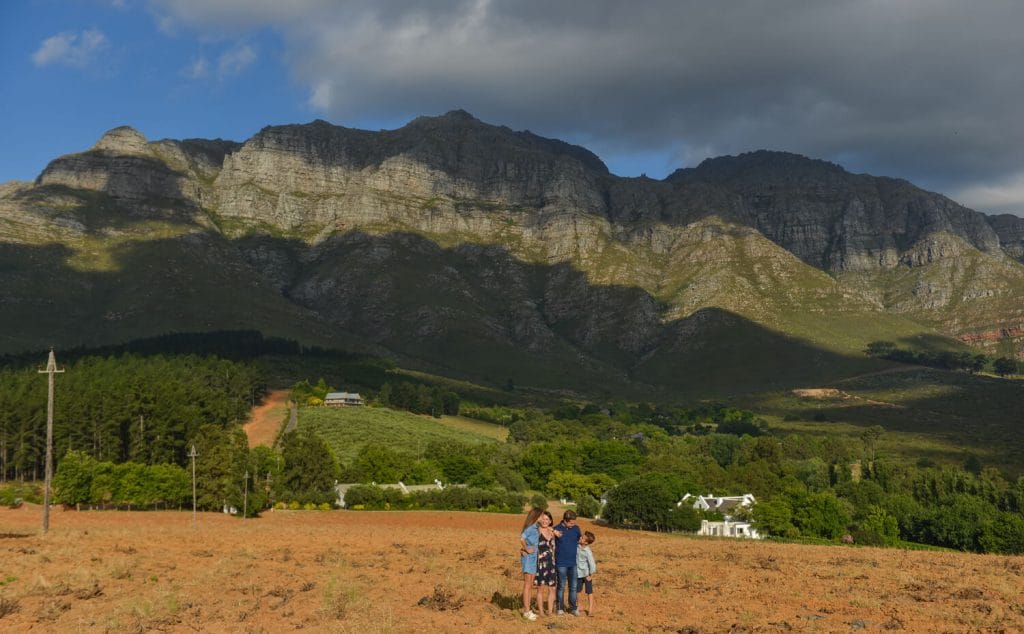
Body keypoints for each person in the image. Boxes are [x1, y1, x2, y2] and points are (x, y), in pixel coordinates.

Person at [552, 509, 582, 615]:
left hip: (573, 563)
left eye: (574, 522)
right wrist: (553, 533)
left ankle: (573, 608)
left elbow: (580, 540)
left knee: (573, 587)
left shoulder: (576, 529)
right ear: (565, 520)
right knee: (561, 586)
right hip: (561, 563)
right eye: (571, 522)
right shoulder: (555, 529)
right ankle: (560, 607)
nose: (573, 524)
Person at [519, 507, 543, 621]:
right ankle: (526, 611)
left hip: (534, 559)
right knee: (527, 585)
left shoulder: (536, 527)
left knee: (530, 584)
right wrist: (526, 548)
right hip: (529, 558)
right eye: (541, 515)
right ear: (536, 516)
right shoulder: (530, 528)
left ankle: (528, 610)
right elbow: (522, 538)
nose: (542, 517)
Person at [533, 511, 557, 615]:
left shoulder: (552, 532)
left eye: (547, 519)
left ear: (550, 521)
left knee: (552, 589)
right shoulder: (537, 531)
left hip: (551, 564)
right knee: (540, 589)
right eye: (543, 518)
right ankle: (541, 612)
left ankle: (550, 612)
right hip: (540, 564)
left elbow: (554, 547)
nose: (544, 521)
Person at [575, 531, 597, 616]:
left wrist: (590, 575)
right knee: (578, 591)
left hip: (586, 574)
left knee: (589, 591)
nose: (580, 537)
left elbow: (592, 564)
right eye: (581, 536)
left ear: (586, 542)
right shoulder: (576, 546)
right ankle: (579, 606)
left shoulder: (588, 551)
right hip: (578, 573)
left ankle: (590, 609)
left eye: (582, 538)